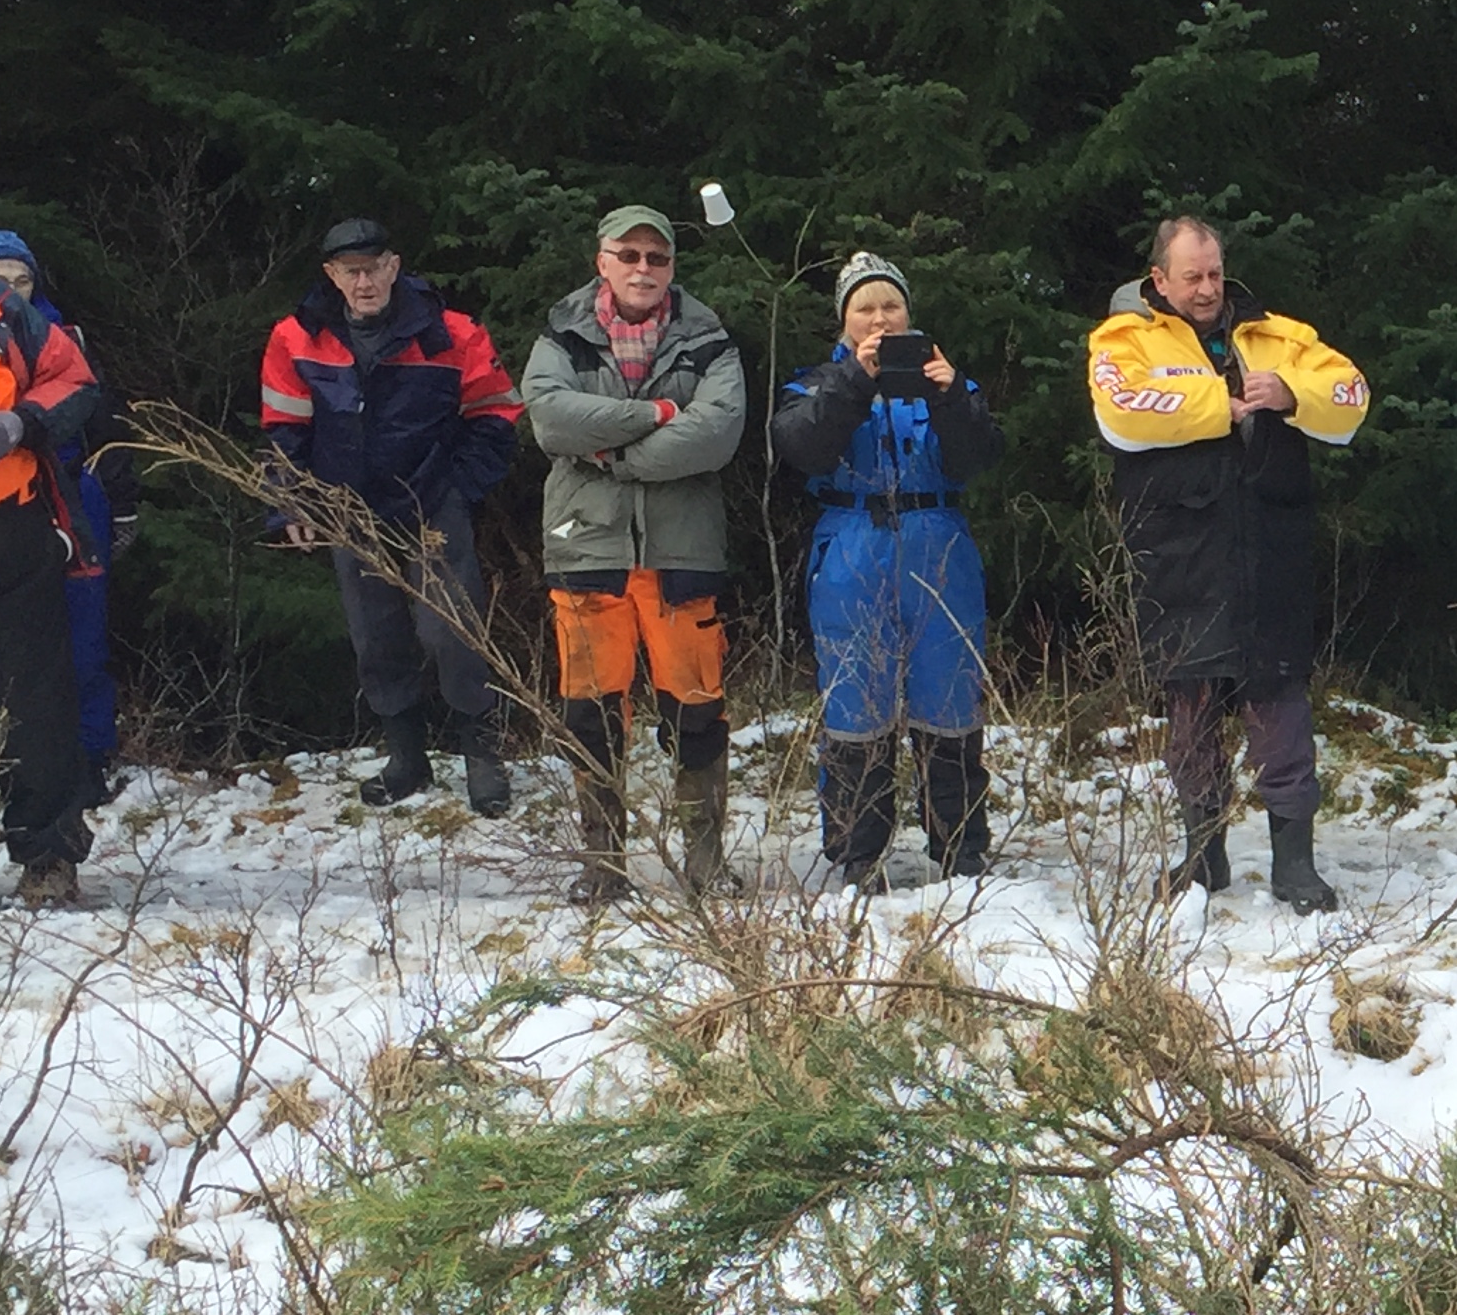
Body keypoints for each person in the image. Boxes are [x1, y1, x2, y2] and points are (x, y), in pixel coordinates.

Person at [1088, 217, 1370, 907]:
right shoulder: (1124, 338)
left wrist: (1293, 396)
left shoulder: (1279, 335)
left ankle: (1293, 864)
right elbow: (1122, 413)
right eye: (1193, 277)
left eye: (1214, 273)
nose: (1208, 288)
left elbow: (1352, 398)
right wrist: (1224, 401)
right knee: (1191, 708)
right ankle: (1203, 854)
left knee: (1280, 706)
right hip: (1178, 552)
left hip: (1270, 548)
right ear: (1160, 280)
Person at [520, 205, 749, 903]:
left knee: (698, 713)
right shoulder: (561, 336)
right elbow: (549, 416)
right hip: (586, 547)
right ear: (604, 262)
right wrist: (653, 418)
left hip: (683, 554)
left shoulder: (709, 341)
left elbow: (720, 431)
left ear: (672, 267)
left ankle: (705, 863)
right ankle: (603, 864)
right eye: (629, 255)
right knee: (590, 714)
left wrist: (609, 455)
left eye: (657, 258)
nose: (643, 269)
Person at [256, 215, 521, 813]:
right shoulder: (297, 336)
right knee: (375, 638)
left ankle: (482, 755)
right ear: (332, 275)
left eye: (374, 267)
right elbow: (283, 428)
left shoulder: (450, 332)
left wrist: (458, 490)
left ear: (394, 266)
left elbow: (497, 414)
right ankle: (406, 758)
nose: (364, 281)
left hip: (432, 503)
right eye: (351, 271)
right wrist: (292, 500)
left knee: (453, 631)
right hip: (351, 510)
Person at [774, 253, 1003, 890]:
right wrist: (856, 380)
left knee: (950, 699)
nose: (880, 318)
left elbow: (979, 457)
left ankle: (960, 849)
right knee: (856, 704)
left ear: (908, 312)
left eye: (890, 305)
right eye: (865, 308)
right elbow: (800, 449)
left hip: (939, 545)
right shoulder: (816, 382)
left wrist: (952, 395)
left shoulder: (947, 380)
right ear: (845, 319)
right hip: (852, 545)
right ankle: (856, 853)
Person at [0, 231, 136, 807]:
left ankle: (58, 820)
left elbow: (90, 403)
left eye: (22, 278)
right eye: (4, 276)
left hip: (32, 513)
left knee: (53, 671)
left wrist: (21, 424)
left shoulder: (22, 325)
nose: (13, 287)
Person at [0, 265, 102, 907]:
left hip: (9, 535)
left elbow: (75, 380)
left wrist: (20, 424)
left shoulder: (3, 313)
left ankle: (48, 852)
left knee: (36, 703)